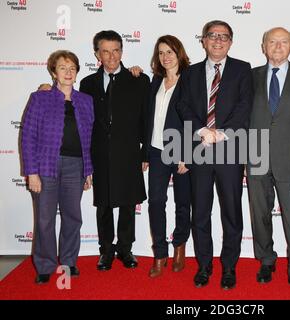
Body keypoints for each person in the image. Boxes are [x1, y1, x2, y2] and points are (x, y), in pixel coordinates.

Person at [177, 20, 253, 290]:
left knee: (232, 212)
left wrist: (220, 133)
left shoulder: (243, 70)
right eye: (213, 36)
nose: (218, 41)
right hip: (199, 150)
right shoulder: (190, 72)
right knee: (200, 212)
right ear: (204, 40)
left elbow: (245, 107)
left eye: (224, 37)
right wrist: (202, 130)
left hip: (230, 151)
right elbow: (183, 105)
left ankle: (229, 267)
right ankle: (204, 265)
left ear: (231, 42)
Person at [246, 27, 290, 298]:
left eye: (283, 42)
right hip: (256, 158)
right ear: (263, 46)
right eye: (272, 42)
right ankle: (266, 260)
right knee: (260, 215)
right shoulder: (249, 77)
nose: (277, 46)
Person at [80, 30, 151, 271]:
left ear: (122, 51)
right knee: (104, 204)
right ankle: (106, 251)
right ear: (97, 54)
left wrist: (145, 153)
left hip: (129, 152)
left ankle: (125, 249)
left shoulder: (139, 79)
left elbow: (146, 120)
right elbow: (84, 121)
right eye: (106, 51)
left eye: (116, 50)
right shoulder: (87, 83)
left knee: (129, 203)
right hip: (99, 153)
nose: (111, 56)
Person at [21, 50, 94, 284]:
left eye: (72, 67)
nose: (68, 72)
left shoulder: (85, 100)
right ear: (53, 72)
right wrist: (32, 172)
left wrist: (88, 170)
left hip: (76, 166)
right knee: (45, 218)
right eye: (63, 67)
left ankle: (69, 261)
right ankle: (44, 264)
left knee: (73, 216)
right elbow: (28, 137)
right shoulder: (40, 98)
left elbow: (89, 138)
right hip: (45, 167)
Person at [146, 35, 192, 278]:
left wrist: (187, 154)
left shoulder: (190, 80)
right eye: (161, 52)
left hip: (180, 151)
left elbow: (193, 119)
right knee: (156, 202)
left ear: (179, 53)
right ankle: (160, 253)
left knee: (183, 202)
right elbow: (147, 118)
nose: (165, 56)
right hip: (156, 151)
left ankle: (179, 246)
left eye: (170, 52)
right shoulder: (155, 81)